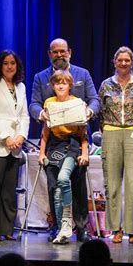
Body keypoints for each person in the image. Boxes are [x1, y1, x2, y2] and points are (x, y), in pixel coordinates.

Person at [30, 38, 100, 243]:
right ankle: (58, 226)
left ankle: (81, 227)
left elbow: (94, 99)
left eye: (63, 51)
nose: (59, 55)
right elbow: (33, 103)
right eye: (55, 52)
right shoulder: (40, 77)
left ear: (70, 52)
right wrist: (41, 114)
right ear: (49, 54)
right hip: (52, 139)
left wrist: (89, 111)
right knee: (54, 185)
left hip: (77, 139)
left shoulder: (83, 74)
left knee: (77, 183)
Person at [99, 46, 133, 243]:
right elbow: (101, 112)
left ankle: (132, 230)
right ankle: (115, 229)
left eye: (127, 60)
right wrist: (107, 130)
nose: (123, 63)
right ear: (114, 62)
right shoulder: (106, 85)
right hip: (111, 132)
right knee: (111, 183)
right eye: (119, 60)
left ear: (132, 62)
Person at [0, 50, 30, 241]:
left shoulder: (21, 87)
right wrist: (7, 137)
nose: (10, 66)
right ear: (0, 66)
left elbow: (24, 115)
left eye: (13, 63)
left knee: (9, 192)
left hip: (15, 146)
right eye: (6, 63)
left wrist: (20, 136)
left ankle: (8, 229)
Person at [39, 70, 89, 245]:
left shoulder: (77, 103)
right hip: (54, 145)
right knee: (55, 187)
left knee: (66, 180)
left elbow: (83, 134)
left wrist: (84, 153)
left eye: (64, 82)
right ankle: (60, 227)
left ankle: (75, 225)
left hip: (73, 145)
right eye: (57, 82)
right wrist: (41, 153)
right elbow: (45, 132)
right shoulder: (49, 103)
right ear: (52, 85)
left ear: (70, 85)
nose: (61, 85)